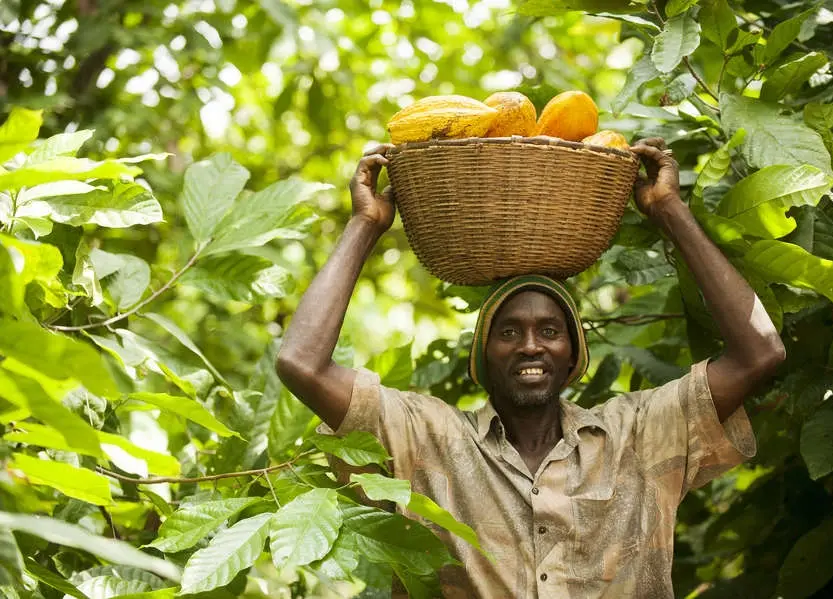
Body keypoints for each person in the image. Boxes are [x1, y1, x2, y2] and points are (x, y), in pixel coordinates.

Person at [275, 138, 786, 598]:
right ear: (482, 356)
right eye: (508, 332)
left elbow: (760, 353)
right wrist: (366, 224)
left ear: (572, 356)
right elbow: (302, 363)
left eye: (549, 331)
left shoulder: (639, 435)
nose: (529, 346)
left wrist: (669, 210)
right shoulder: (427, 437)